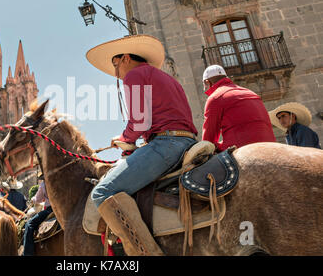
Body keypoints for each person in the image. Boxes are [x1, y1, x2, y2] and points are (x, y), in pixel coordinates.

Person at [86, 35, 198, 256]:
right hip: (186, 140)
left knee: (101, 192)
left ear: (125, 58)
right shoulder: (167, 79)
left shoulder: (135, 75)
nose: (116, 74)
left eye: (115, 66)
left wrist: (125, 138)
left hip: (166, 143)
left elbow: (139, 121)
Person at [201, 65, 276, 152]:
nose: (205, 89)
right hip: (271, 145)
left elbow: (208, 140)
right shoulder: (251, 93)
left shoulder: (215, 98)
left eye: (204, 85)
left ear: (207, 82)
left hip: (243, 149)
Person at [22, 172, 52, 256]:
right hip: (61, 209)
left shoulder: (43, 184)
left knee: (29, 224)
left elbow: (38, 199)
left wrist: (32, 199)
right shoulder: (60, 180)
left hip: (50, 210)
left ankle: (28, 254)